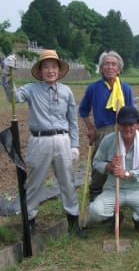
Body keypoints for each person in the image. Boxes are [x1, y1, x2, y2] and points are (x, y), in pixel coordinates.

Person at [1, 50, 85, 238]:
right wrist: (6, 74)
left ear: (59, 70)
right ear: (40, 71)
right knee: (34, 184)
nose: (50, 70)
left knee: (68, 183)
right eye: (45, 67)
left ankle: (73, 223)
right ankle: (30, 223)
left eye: (53, 66)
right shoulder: (31, 89)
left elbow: (72, 120)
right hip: (39, 140)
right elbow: (13, 97)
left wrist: (75, 145)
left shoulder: (66, 91)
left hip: (62, 140)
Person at [88, 106, 139, 232]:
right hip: (113, 189)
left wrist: (127, 174)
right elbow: (96, 162)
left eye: (131, 124)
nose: (127, 128)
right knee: (95, 212)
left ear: (137, 124)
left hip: (138, 189)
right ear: (118, 125)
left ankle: (138, 220)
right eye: (123, 124)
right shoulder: (109, 140)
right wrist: (109, 166)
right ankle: (116, 217)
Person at [79, 51, 134, 201]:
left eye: (113, 64)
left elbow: (132, 114)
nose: (110, 67)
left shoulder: (126, 89)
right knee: (99, 167)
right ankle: (95, 199)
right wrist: (90, 128)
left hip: (122, 131)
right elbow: (83, 109)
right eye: (106, 64)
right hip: (102, 132)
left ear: (119, 69)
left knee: (122, 164)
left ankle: (120, 200)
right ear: (101, 68)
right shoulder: (93, 88)